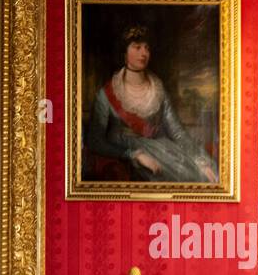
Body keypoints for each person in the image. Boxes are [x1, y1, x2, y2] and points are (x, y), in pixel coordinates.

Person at [85, 25, 219, 184]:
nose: (144, 53)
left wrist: (200, 161)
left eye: (147, 48)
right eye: (137, 47)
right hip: (127, 152)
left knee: (203, 175)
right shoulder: (107, 93)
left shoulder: (157, 88)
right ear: (124, 54)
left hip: (161, 148)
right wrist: (133, 154)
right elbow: (94, 141)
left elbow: (177, 132)